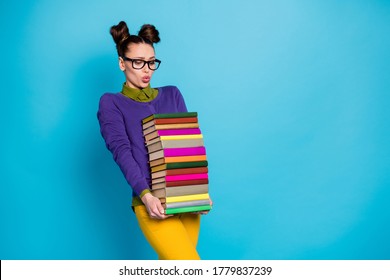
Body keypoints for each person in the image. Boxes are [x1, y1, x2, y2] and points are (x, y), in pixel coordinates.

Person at [97, 21, 210, 260]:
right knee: (189, 266)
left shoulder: (172, 94)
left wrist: (200, 190)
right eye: (138, 62)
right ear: (122, 63)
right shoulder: (112, 103)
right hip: (152, 202)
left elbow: (186, 146)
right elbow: (122, 151)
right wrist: (146, 195)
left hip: (187, 200)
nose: (146, 69)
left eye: (151, 62)